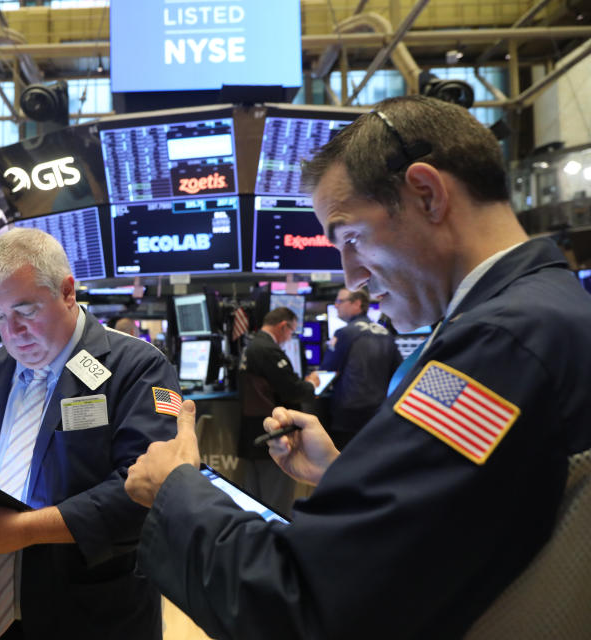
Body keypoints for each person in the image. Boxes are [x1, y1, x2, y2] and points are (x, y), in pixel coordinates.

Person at [124, 95, 591, 639]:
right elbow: (469, 516)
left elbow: (304, 604)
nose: (351, 278)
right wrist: (344, 472)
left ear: (426, 193)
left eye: (349, 237)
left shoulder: (495, 346)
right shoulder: (549, 312)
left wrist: (176, 489)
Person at [0, 228, 181, 640]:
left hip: (90, 615)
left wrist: (26, 529)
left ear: (68, 291)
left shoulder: (137, 368)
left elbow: (149, 491)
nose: (12, 332)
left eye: (27, 310)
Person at [237, 307, 319, 515]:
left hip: (253, 433)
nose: (290, 336)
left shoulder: (251, 346)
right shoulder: (268, 349)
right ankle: (275, 545)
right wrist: (311, 384)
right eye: (291, 331)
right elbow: (293, 391)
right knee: (276, 503)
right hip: (274, 435)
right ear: (283, 326)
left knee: (254, 500)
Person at [321, 287, 402, 448]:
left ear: (357, 303)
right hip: (378, 412)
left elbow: (326, 371)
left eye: (340, 301)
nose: (336, 305)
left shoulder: (344, 333)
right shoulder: (385, 333)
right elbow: (399, 373)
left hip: (348, 414)